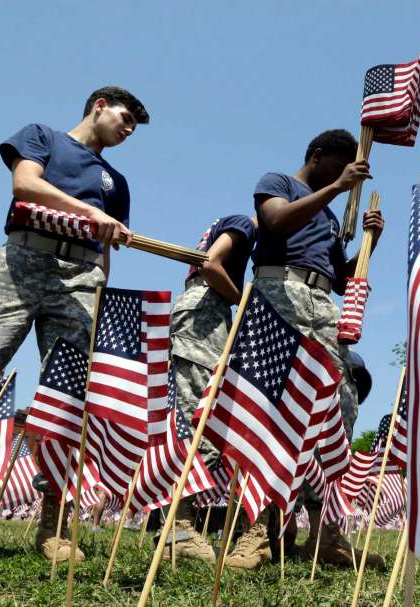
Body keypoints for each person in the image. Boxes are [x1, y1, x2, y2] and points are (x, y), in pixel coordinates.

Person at [0, 86, 150, 563]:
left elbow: (106, 248)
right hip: (24, 260)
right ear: (99, 105)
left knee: (68, 394)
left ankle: (54, 526)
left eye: (134, 128)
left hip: (80, 278)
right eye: (124, 117)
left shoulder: (115, 181)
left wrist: (98, 283)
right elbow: (26, 184)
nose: (127, 129)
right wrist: (89, 212)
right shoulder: (43, 137)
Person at [252, 129, 384, 568]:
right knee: (274, 406)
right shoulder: (279, 183)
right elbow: (275, 222)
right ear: (317, 155)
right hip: (280, 290)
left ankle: (325, 532)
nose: (346, 176)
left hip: (323, 304)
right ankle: (258, 529)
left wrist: (369, 242)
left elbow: (343, 281)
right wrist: (336, 187)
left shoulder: (329, 218)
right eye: (339, 166)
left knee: (336, 407)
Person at [165, 214, 257, 565]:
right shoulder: (245, 225)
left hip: (201, 310)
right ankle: (179, 527)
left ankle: (181, 525)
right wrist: (241, 300)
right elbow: (210, 264)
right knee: (200, 424)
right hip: (205, 312)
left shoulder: (228, 221)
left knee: (203, 422)